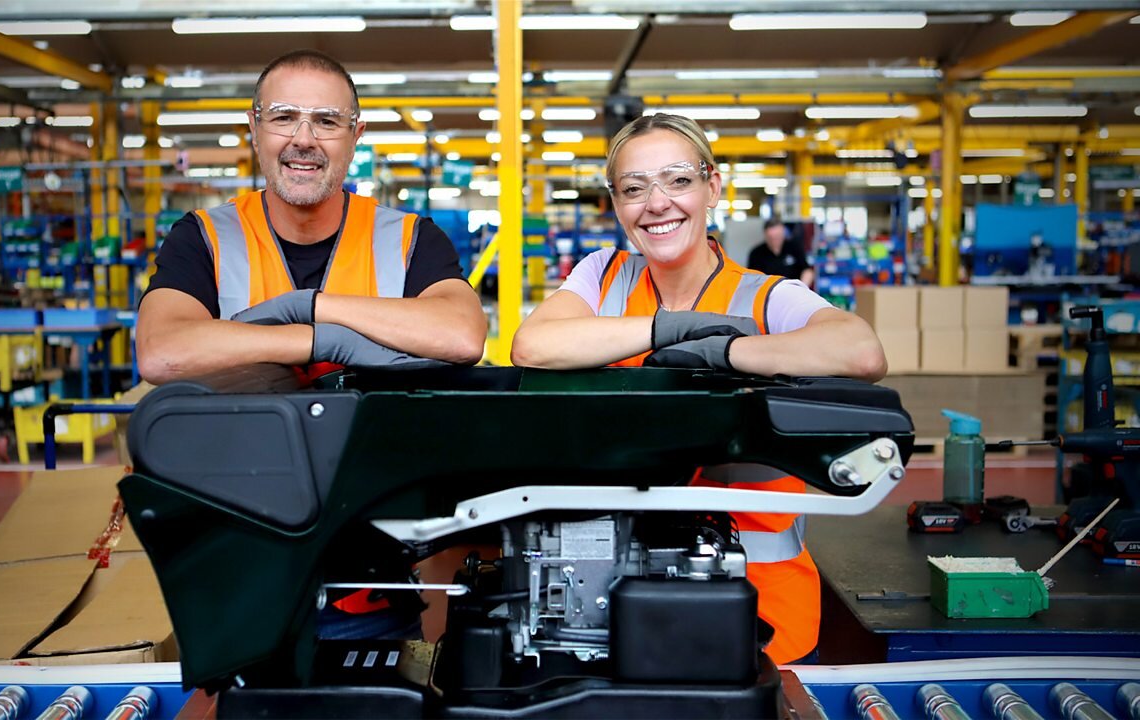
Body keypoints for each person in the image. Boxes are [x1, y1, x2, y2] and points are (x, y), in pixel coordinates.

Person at [510, 113, 886, 665]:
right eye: (634, 188)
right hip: (604, 605)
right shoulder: (603, 276)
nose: (656, 203)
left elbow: (860, 352)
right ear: (616, 204)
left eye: (678, 180)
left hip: (756, 615)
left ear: (713, 186)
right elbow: (532, 345)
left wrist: (728, 351)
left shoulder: (766, 298)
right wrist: (666, 330)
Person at [136, 50, 488, 637]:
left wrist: (313, 305)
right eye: (284, 117)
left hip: (372, 573)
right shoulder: (205, 238)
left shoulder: (407, 238)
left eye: (326, 121)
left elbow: (461, 334)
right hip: (242, 566)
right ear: (253, 128)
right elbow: (162, 352)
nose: (304, 138)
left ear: (355, 136)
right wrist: (313, 340)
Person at [748, 217, 814, 286]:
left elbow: (807, 271)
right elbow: (751, 279)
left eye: (777, 236)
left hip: (793, 291)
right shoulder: (756, 254)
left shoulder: (794, 248)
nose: (774, 240)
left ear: (783, 233)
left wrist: (802, 287)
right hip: (768, 293)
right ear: (765, 235)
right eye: (771, 238)